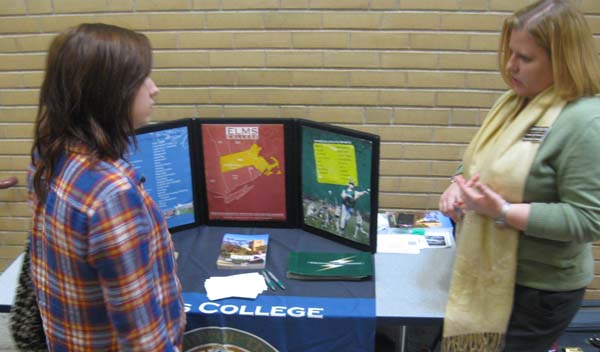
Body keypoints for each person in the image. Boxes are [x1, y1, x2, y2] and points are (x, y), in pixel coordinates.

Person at [438, 1, 600, 351]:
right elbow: (480, 163)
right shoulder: (513, 103)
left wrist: (504, 212)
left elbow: (589, 220)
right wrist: (457, 184)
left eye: (525, 58)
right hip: (490, 272)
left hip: (538, 291)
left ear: (563, 60)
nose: (510, 66)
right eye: (511, 53)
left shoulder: (585, 122)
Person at [28, 23, 186, 351]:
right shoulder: (112, 193)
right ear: (109, 92)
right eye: (141, 79)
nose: (154, 89)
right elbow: (143, 339)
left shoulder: (49, 152)